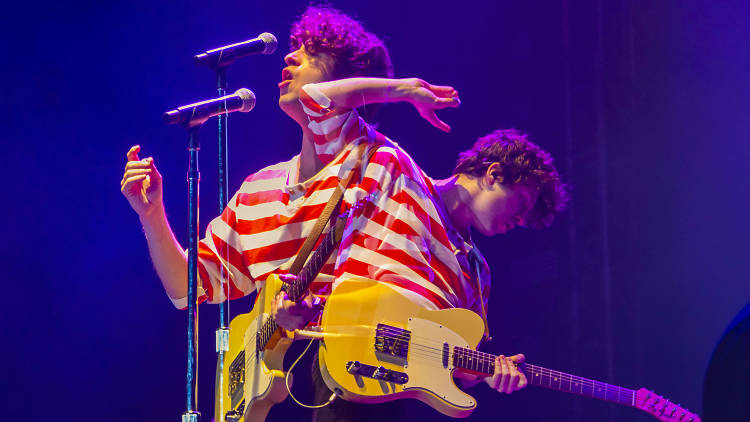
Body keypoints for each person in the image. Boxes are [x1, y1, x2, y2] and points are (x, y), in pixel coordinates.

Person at [120, 5, 529, 420]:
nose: (290, 57)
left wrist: (402, 89)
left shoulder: (378, 161)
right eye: (295, 47)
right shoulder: (255, 192)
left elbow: (426, 330)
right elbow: (186, 288)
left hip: (362, 380)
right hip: (290, 384)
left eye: (313, 52)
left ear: (346, 84)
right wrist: (151, 215)